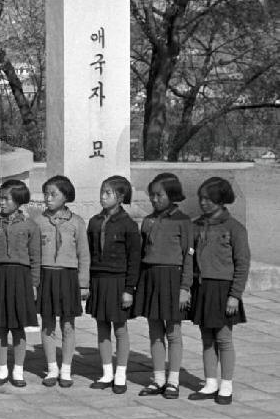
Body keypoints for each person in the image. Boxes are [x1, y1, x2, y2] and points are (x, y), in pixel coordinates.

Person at [189, 177, 249, 405]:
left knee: (223, 338)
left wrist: (235, 295)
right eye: (201, 198)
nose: (203, 203)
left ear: (221, 200)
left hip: (223, 289)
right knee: (206, 338)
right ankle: (210, 382)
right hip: (202, 287)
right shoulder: (196, 225)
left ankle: (226, 385)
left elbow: (242, 263)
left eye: (209, 199)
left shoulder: (235, 228)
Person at [136, 172, 194, 399]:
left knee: (173, 332)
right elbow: (142, 252)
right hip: (151, 277)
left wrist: (185, 287)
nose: (154, 199)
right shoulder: (147, 220)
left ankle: (173, 380)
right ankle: (158, 378)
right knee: (155, 331)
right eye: (152, 195)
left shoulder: (183, 221)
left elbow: (188, 255)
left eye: (159, 195)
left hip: (173, 279)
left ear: (172, 195)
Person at [87, 175, 142, 393]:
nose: (103, 196)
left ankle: (121, 373)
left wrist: (129, 289)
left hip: (118, 281)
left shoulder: (128, 225)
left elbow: (134, 259)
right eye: (102, 192)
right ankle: (107, 372)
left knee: (119, 327)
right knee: (102, 326)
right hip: (99, 280)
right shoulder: (94, 222)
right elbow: (90, 253)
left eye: (107, 193)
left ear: (120, 197)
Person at [36, 176, 89, 388]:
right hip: (46, 276)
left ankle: (66, 369)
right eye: (46, 194)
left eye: (53, 194)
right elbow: (34, 254)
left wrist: (83, 283)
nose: (48, 198)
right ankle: (52, 368)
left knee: (68, 324)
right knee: (47, 323)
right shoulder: (39, 221)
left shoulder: (77, 222)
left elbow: (84, 254)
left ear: (65, 196)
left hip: (68, 277)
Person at [0, 180, 40, 387]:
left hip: (21, 278)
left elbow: (35, 257)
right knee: (1, 325)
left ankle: (18, 371)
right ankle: (1, 371)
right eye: (0, 198)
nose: (1, 202)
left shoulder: (30, 225)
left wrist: (34, 284)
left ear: (18, 201)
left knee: (18, 326)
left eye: (6, 199)